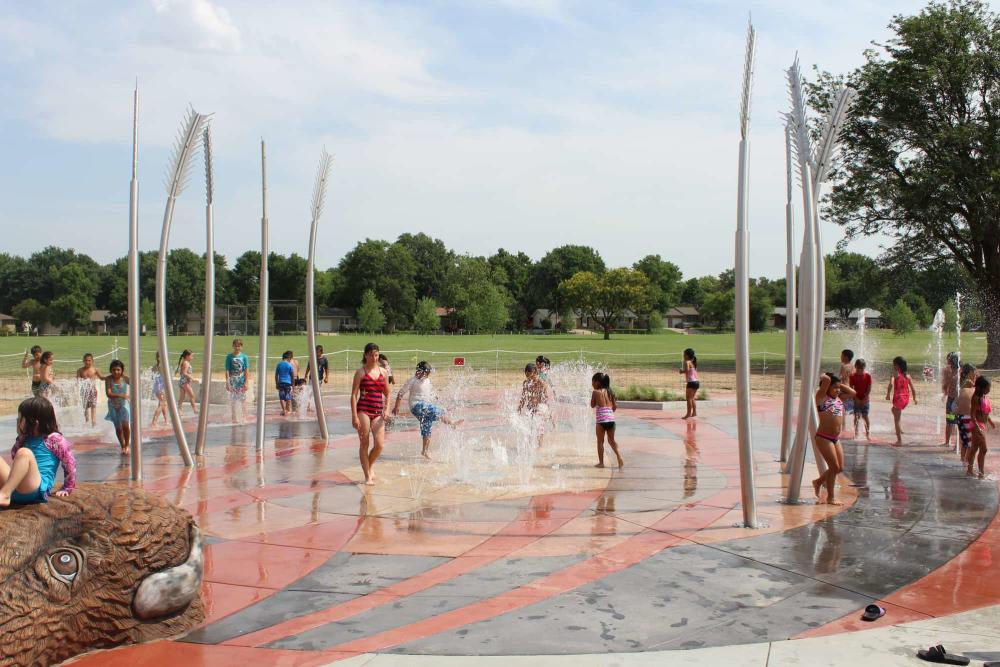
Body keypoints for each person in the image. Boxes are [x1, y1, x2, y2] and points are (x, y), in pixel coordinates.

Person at [0, 396, 76, 507]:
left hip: (35, 489)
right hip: (16, 488)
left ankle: (5, 494)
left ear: (34, 423)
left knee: (24, 453)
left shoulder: (55, 439)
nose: (17, 421)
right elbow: (14, 457)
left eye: (20, 418)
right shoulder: (26, 437)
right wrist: (20, 437)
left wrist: (67, 487)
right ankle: (6, 492)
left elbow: (70, 463)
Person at [392, 361, 462, 459]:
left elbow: (431, 394)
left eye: (428, 373)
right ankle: (452, 423)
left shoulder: (427, 381)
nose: (428, 375)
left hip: (425, 406)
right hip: (416, 406)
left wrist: (439, 400)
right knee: (434, 411)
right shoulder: (412, 380)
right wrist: (396, 407)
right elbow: (400, 394)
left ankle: (424, 451)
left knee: (427, 426)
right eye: (426, 373)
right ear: (420, 371)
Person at [812, 373, 856, 505]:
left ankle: (818, 481)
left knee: (839, 468)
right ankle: (830, 497)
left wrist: (838, 383)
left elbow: (853, 393)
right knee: (833, 466)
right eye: (835, 388)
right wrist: (826, 378)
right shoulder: (821, 398)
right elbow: (825, 381)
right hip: (823, 437)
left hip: (835, 438)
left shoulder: (839, 399)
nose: (838, 390)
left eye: (839, 388)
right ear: (827, 388)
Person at [352, 342, 389, 485]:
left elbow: (388, 393)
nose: (374, 358)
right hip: (363, 410)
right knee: (364, 443)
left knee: (379, 445)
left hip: (378, 411)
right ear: (366, 355)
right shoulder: (361, 373)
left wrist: (386, 409)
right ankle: (367, 475)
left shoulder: (383, 372)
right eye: (371, 355)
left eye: (376, 355)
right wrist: (354, 416)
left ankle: (370, 465)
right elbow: (354, 395)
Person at [591, 372, 623, 468]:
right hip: (611, 420)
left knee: (600, 441)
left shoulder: (595, 392)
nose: (592, 384)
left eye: (593, 382)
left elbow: (592, 405)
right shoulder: (610, 392)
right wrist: (608, 411)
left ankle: (601, 463)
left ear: (597, 382)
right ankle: (619, 456)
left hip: (601, 421)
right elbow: (615, 406)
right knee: (612, 440)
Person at [885, 356, 917, 447]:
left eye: (893, 364)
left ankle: (899, 440)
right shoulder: (908, 376)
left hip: (898, 398)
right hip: (906, 399)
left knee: (896, 420)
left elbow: (891, 384)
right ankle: (900, 430)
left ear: (897, 366)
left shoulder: (895, 373)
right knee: (894, 410)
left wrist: (888, 394)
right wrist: (915, 398)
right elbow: (913, 389)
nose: (892, 366)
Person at [518, 363, 552, 447]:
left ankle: (540, 446)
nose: (529, 377)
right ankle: (530, 446)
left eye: (530, 375)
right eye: (527, 375)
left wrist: (548, 411)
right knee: (529, 427)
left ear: (535, 372)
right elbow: (523, 397)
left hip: (540, 407)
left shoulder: (540, 382)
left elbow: (546, 397)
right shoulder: (526, 383)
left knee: (539, 428)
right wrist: (519, 408)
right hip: (531, 408)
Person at [968, 376, 994, 478]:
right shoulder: (976, 398)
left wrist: (990, 422)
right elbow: (972, 415)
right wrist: (977, 426)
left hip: (982, 425)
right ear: (981, 388)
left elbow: (985, 413)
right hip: (976, 425)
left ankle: (970, 469)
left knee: (974, 448)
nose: (989, 390)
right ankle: (981, 473)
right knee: (984, 449)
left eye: (989, 388)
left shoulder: (984, 398)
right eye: (987, 388)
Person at [105, 360, 131, 455]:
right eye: (114, 370)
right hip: (113, 406)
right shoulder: (108, 379)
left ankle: (127, 445)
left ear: (122, 370)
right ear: (111, 370)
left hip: (124, 405)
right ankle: (122, 445)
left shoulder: (125, 379)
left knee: (125, 425)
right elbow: (108, 393)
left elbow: (135, 384)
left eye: (118, 370)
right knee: (118, 428)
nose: (116, 372)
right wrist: (121, 395)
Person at [225, 338, 251, 423]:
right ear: (233, 346)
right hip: (233, 381)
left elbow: (246, 370)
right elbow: (227, 370)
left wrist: (246, 382)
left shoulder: (244, 357)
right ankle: (234, 417)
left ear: (241, 347)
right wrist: (227, 382)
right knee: (233, 400)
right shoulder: (229, 357)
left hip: (241, 381)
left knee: (243, 399)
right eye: (235, 346)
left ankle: (244, 417)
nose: (237, 347)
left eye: (239, 346)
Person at [956, 363, 978, 463]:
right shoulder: (969, 383)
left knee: (965, 442)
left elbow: (958, 400)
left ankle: (963, 461)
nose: (977, 374)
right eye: (975, 372)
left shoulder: (964, 383)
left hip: (959, 415)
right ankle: (968, 465)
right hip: (967, 416)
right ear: (970, 373)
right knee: (970, 444)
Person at [76, 353, 104, 428]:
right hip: (84, 391)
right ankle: (86, 421)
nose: (87, 362)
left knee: (93, 407)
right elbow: (78, 381)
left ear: (92, 361)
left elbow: (101, 378)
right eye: (86, 360)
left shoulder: (95, 370)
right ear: (83, 361)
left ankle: (93, 422)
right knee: (85, 407)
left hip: (93, 391)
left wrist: (110, 378)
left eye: (89, 360)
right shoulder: (80, 370)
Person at [849, 358, 873, 440]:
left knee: (865, 416)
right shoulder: (852, 376)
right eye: (858, 368)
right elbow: (851, 389)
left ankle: (867, 434)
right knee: (856, 416)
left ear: (864, 368)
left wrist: (865, 399)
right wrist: (856, 399)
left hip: (865, 400)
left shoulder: (868, 376)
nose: (860, 370)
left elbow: (869, 389)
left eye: (861, 369)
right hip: (856, 399)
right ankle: (856, 433)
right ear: (855, 367)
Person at [941, 352, 960, 449]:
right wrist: (944, 393)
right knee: (949, 420)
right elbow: (945, 385)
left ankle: (957, 445)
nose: (948, 361)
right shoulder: (949, 371)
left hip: (959, 401)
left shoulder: (960, 371)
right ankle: (947, 442)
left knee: (958, 422)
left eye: (949, 359)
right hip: (951, 399)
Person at [679, 348, 699, 419]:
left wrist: (682, 371)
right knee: (692, 398)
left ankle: (688, 414)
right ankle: (694, 412)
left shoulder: (687, 362)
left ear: (687, 355)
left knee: (688, 398)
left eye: (684, 354)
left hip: (691, 382)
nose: (683, 356)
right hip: (696, 382)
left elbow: (687, 370)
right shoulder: (692, 362)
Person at [176, 350, 198, 416]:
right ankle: (195, 409)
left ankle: (179, 410)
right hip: (185, 382)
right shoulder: (186, 363)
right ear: (187, 356)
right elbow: (184, 373)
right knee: (192, 395)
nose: (192, 357)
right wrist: (192, 378)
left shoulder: (184, 362)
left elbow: (181, 372)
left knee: (182, 397)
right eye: (191, 356)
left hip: (182, 381)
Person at [275, 351, 295, 416]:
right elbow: (292, 376)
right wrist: (293, 385)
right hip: (288, 383)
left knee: (282, 397)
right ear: (289, 358)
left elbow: (276, 375)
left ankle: (284, 410)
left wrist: (276, 383)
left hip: (280, 383)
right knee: (288, 397)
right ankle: (287, 410)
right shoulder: (290, 365)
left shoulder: (279, 364)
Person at [150, 352, 168, 427]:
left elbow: (152, 378)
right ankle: (154, 422)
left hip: (156, 387)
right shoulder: (163, 366)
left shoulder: (154, 366)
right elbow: (166, 377)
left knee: (163, 403)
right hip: (161, 387)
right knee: (162, 404)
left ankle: (166, 420)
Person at [840, 349, 855, 414]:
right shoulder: (853, 366)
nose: (841, 357)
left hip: (844, 387)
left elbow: (841, 378)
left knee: (840, 406)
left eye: (842, 355)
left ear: (846, 357)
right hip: (850, 387)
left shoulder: (844, 366)